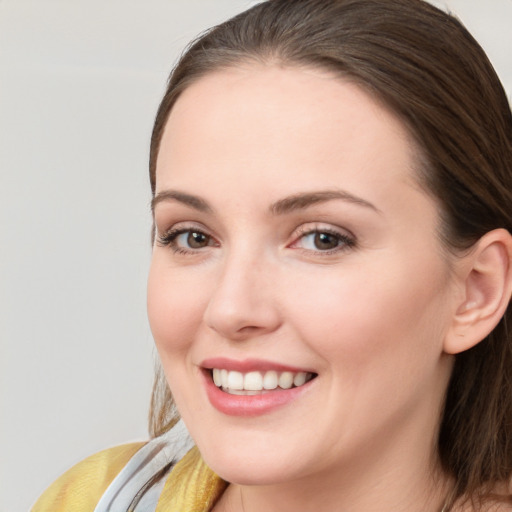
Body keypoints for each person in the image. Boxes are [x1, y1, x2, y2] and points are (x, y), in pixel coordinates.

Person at [32, 0, 512, 510]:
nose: (231, 309)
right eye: (193, 236)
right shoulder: (90, 499)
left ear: (475, 291)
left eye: (322, 238)